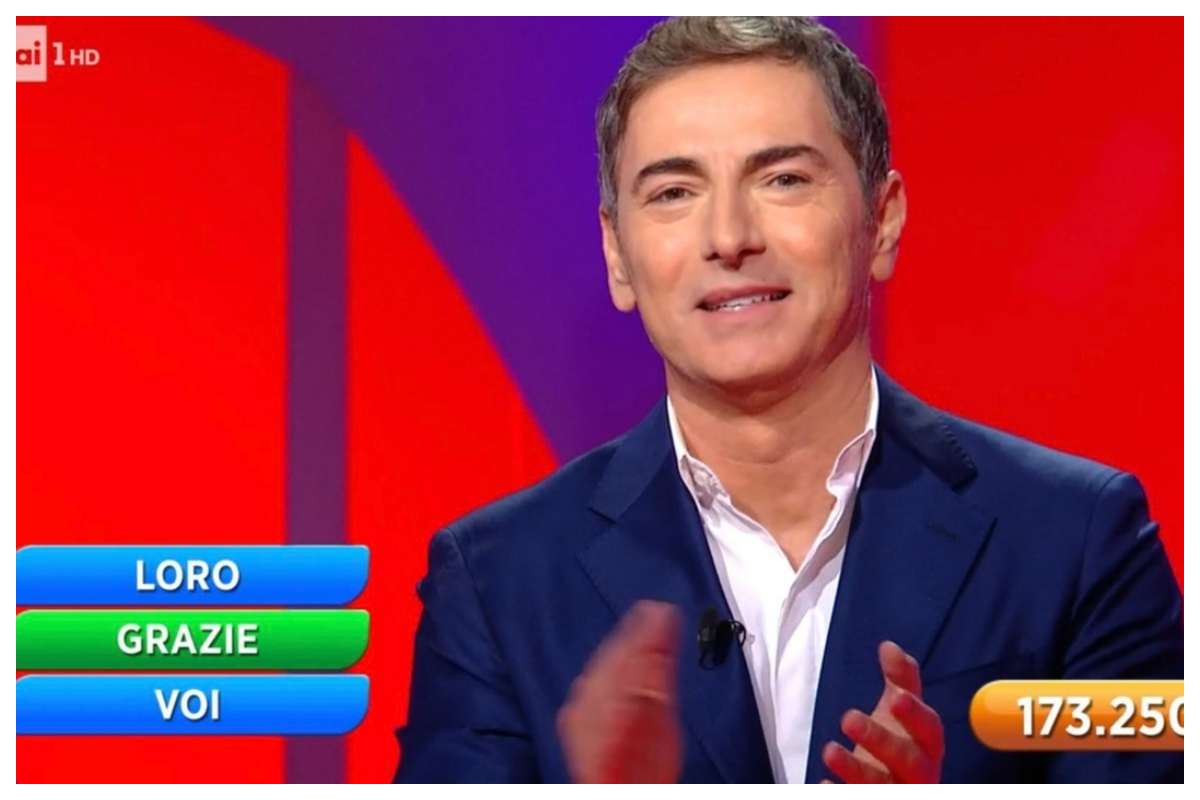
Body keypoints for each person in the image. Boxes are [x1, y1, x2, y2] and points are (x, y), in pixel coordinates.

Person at [394, 17, 1182, 783]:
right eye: (673, 192)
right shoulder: (497, 582)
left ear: (881, 220)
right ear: (617, 255)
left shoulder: (1077, 541)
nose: (729, 236)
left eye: (783, 180)